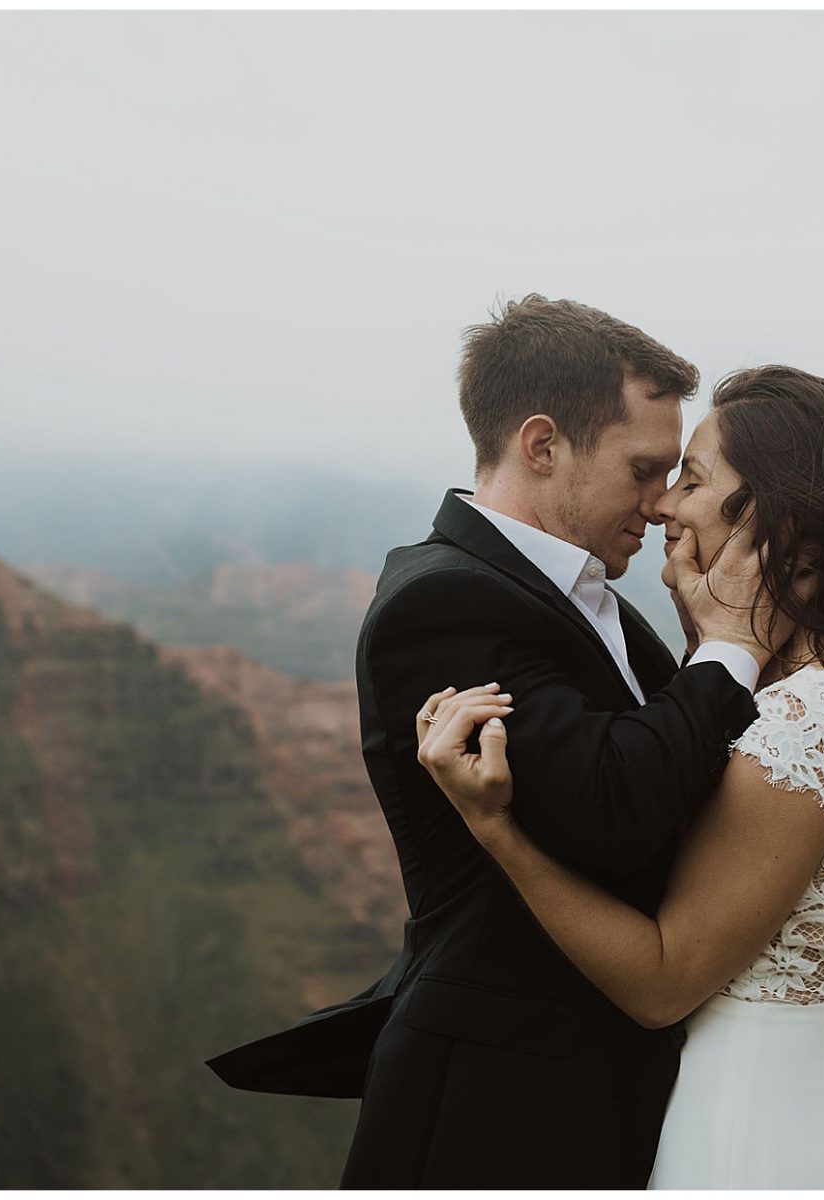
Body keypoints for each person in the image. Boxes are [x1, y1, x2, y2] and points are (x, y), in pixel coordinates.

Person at [204, 296, 794, 1187]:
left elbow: (697, 772)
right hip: (499, 1100)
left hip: (601, 1084)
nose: (665, 500)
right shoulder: (440, 604)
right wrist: (732, 646)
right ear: (543, 444)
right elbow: (614, 810)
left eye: (676, 476)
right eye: (644, 468)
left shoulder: (587, 595)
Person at [416, 364, 824, 1189]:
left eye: (688, 478)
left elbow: (660, 982)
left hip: (740, 1124)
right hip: (814, 1096)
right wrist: (720, 632)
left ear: (775, 518)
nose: (663, 505)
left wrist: (496, 831)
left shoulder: (807, 724)